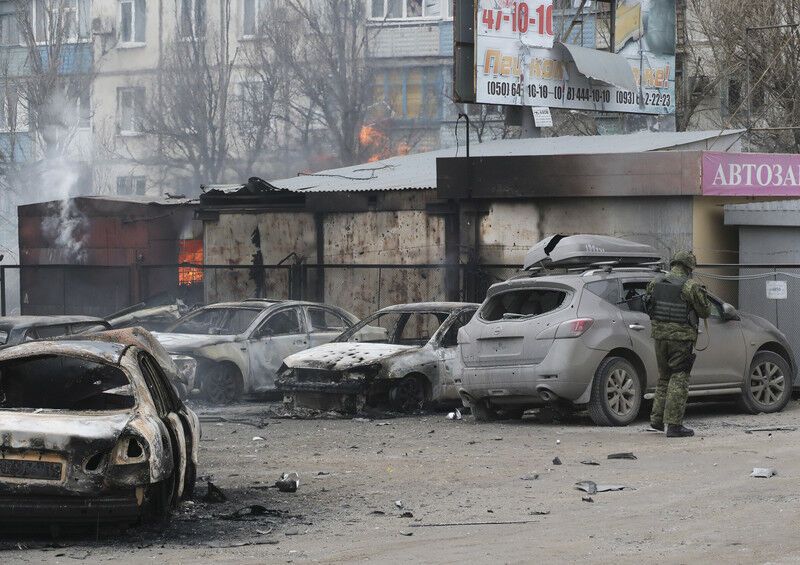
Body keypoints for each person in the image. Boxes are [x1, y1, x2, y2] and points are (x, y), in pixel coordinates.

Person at [645, 250, 710, 438]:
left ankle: (657, 421)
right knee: (679, 379)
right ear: (689, 267)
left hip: (659, 337)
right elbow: (705, 311)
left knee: (664, 377)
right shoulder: (690, 286)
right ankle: (674, 425)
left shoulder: (654, 283)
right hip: (680, 340)